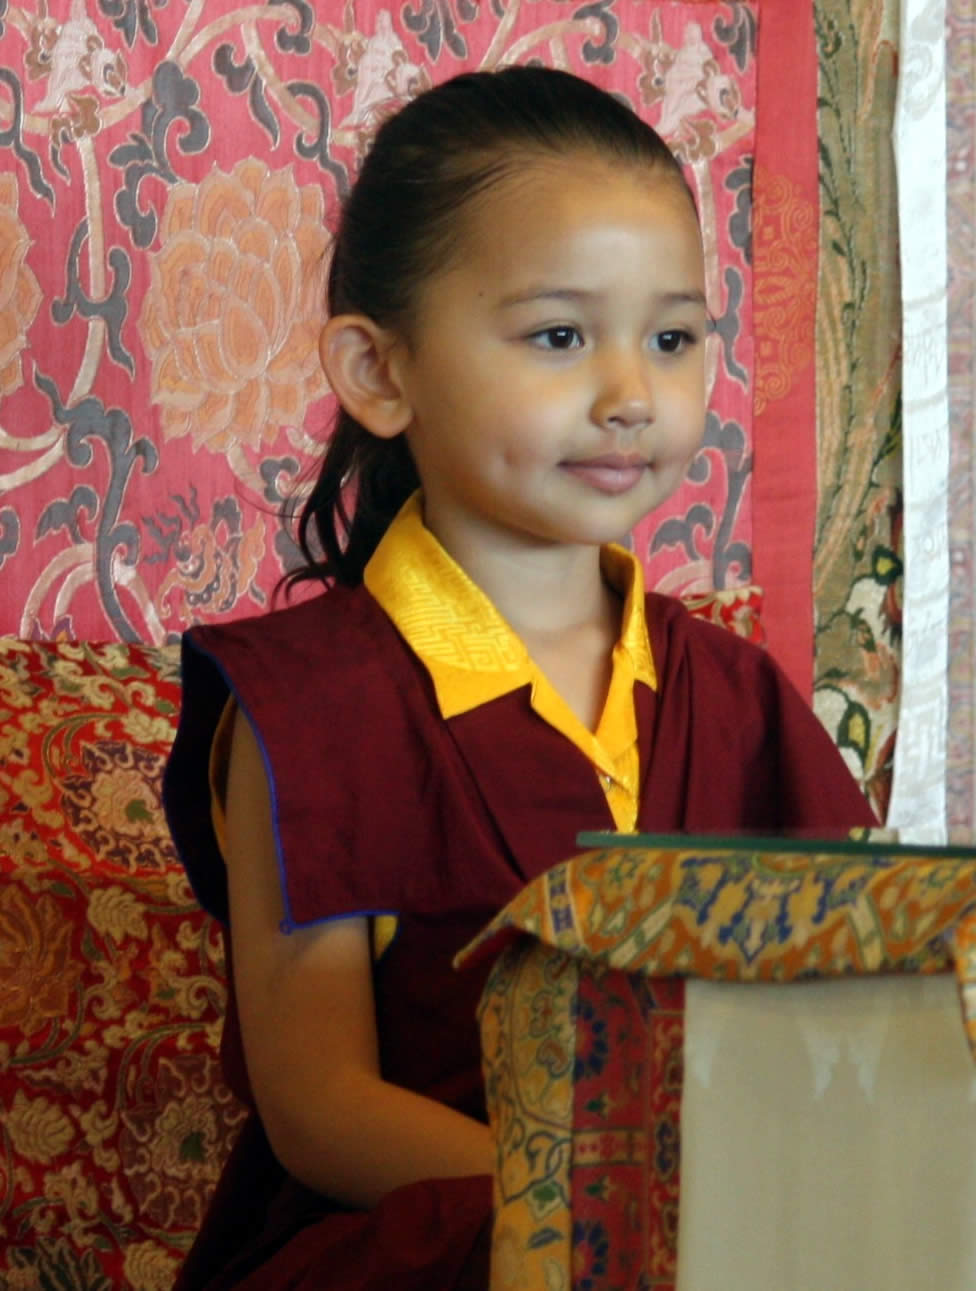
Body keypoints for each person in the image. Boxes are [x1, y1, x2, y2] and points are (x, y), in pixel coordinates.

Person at [163, 65, 876, 1290]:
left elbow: (853, 1023)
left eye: (671, 337)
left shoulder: (739, 695)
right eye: (557, 335)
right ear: (379, 372)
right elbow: (322, 1108)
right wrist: (616, 1205)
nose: (626, 395)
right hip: (441, 1245)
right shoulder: (310, 707)